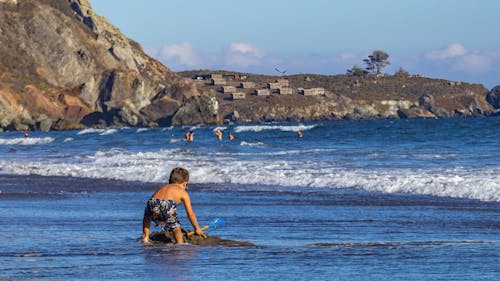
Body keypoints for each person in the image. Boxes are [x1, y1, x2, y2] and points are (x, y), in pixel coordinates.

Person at [141, 167, 205, 244]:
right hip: (166, 205)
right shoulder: (183, 193)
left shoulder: (163, 187)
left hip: (152, 202)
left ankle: (145, 237)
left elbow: (155, 201)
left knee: (147, 219)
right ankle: (180, 244)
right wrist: (197, 228)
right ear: (185, 184)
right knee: (176, 229)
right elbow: (190, 213)